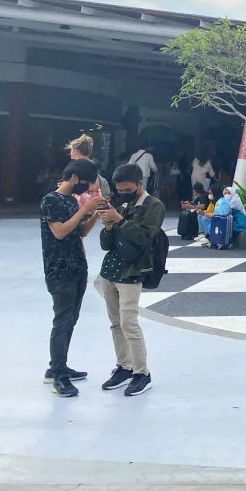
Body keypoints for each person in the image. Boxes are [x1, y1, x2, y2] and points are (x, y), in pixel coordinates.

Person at [96, 162, 165, 397]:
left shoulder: (153, 206)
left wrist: (120, 220)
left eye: (127, 188)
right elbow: (106, 244)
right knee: (115, 323)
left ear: (139, 183)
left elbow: (144, 237)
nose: (122, 193)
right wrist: (107, 227)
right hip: (110, 271)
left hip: (132, 272)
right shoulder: (118, 203)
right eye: (119, 189)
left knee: (129, 323)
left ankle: (141, 373)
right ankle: (123, 367)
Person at [40, 159, 103, 397]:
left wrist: (95, 213)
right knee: (63, 320)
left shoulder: (70, 201)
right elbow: (59, 232)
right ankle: (58, 374)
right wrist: (84, 210)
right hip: (60, 270)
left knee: (71, 318)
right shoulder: (51, 200)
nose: (87, 189)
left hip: (77, 266)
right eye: (87, 184)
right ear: (75, 177)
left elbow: (80, 233)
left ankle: (58, 366)